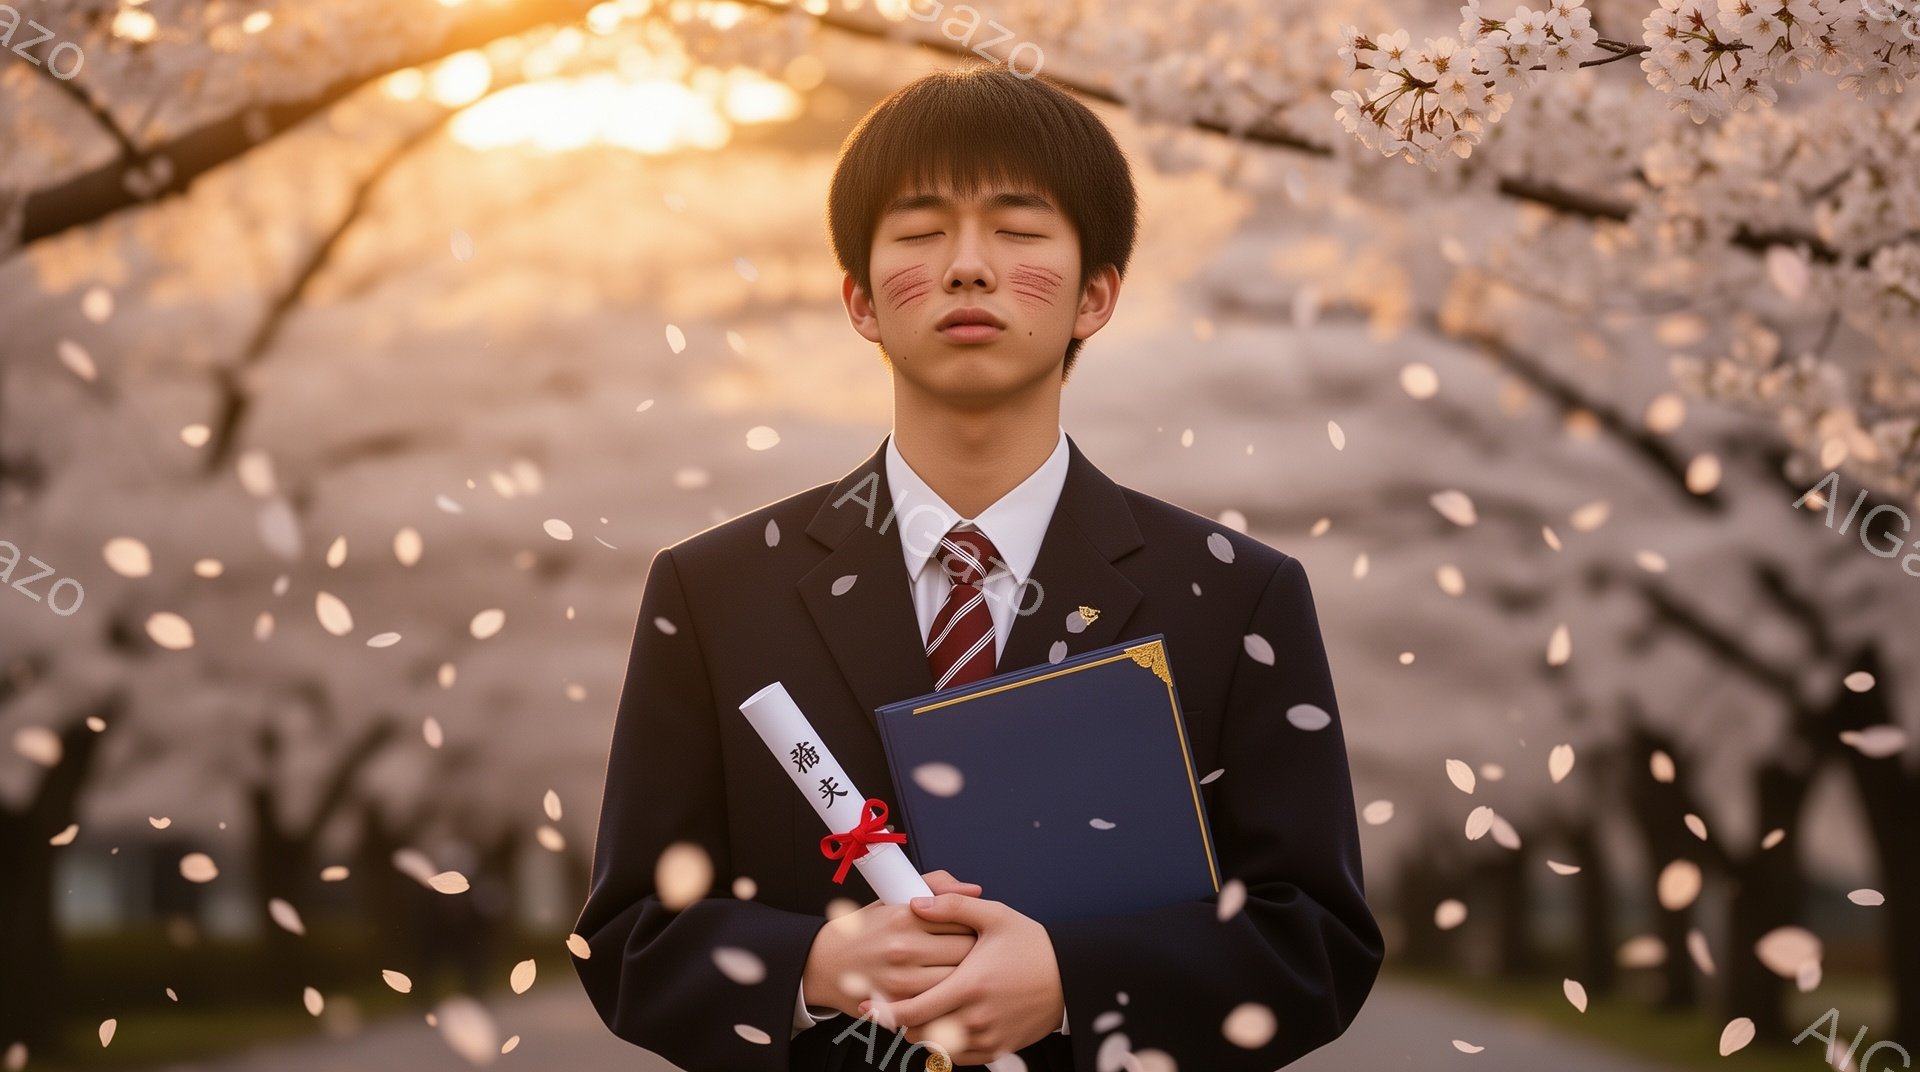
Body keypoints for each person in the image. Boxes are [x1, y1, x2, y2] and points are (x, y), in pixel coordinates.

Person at [572, 62, 1383, 1072]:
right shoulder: (715, 591)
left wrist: (1078, 983)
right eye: (919, 234)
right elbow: (625, 937)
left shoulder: (1234, 593)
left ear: (1097, 294)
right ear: (861, 300)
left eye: (1017, 228)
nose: (967, 267)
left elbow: (1317, 939)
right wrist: (820, 962)